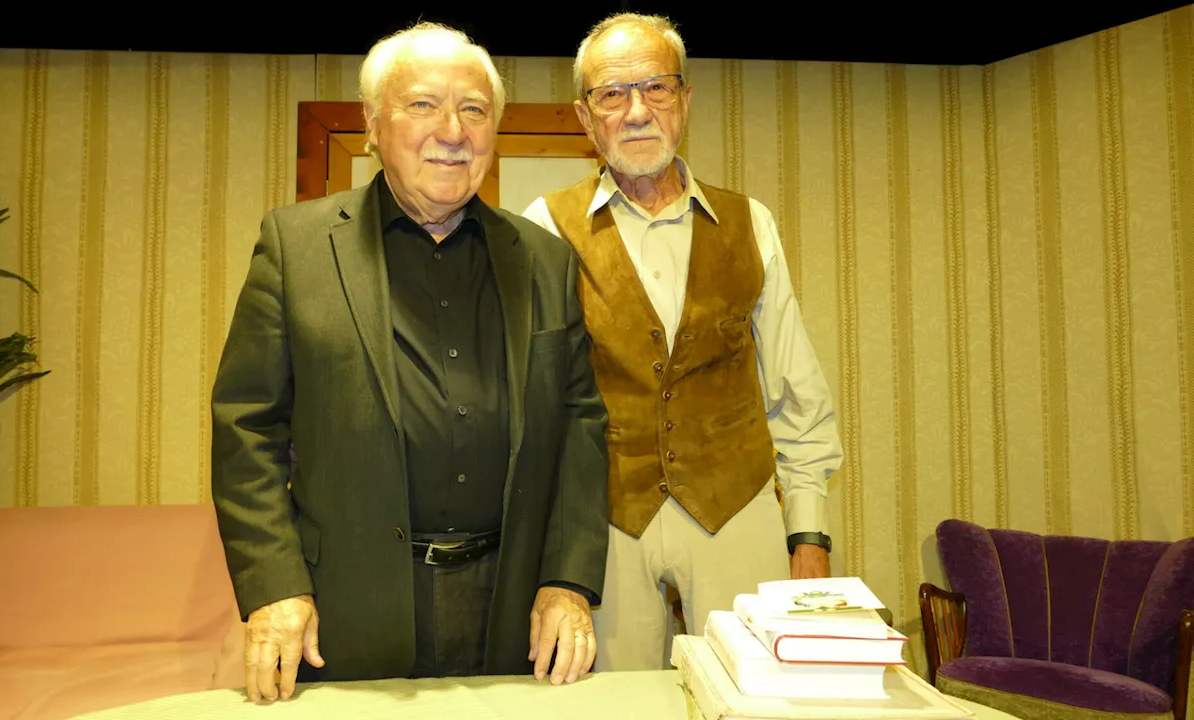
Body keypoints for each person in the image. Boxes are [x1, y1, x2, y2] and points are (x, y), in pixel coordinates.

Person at [210, 21, 609, 702]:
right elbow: (246, 428)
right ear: (372, 125)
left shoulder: (544, 260)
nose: (452, 129)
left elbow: (580, 426)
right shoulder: (295, 247)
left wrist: (567, 581)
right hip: (346, 612)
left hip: (512, 615)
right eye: (423, 104)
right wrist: (274, 586)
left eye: (475, 110)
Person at [521, 13, 843, 672]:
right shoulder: (544, 228)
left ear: (685, 102)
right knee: (600, 708)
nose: (636, 111)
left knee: (760, 696)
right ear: (586, 118)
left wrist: (807, 535)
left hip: (737, 503)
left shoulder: (751, 223)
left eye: (656, 89)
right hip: (604, 518)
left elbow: (795, 391)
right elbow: (533, 405)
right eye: (612, 94)